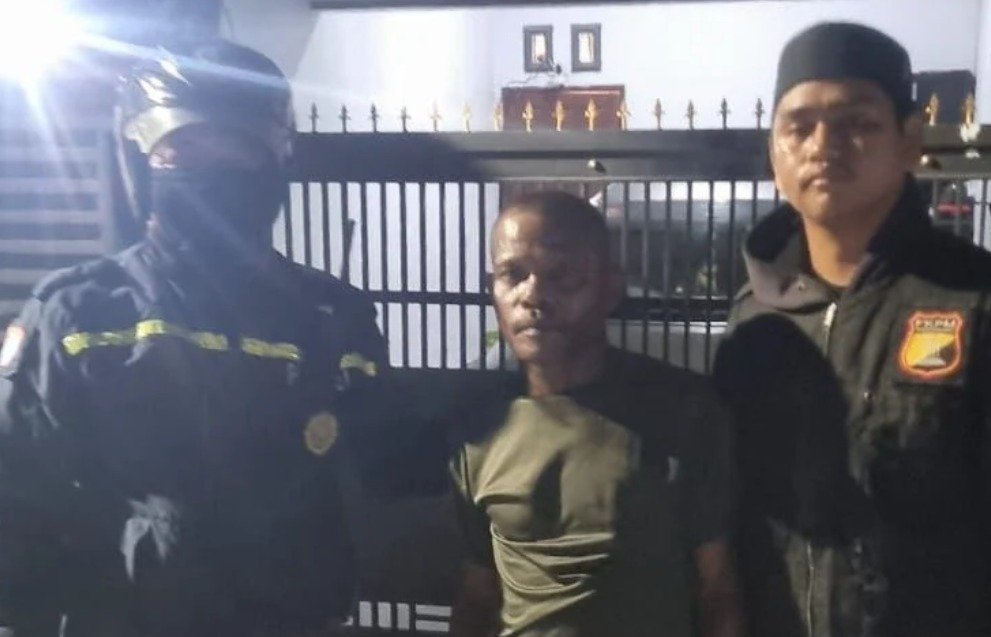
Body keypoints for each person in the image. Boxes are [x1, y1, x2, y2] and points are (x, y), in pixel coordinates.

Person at [0, 40, 388, 636]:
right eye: (184, 147)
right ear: (138, 160)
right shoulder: (77, 313)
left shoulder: (330, 315)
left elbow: (382, 471)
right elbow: (16, 489)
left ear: (275, 161)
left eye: (238, 148)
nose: (215, 167)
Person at [713, 22, 991, 637]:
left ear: (910, 141)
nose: (823, 145)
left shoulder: (972, 300)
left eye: (856, 123)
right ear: (774, 153)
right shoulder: (753, 320)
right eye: (799, 126)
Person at [449, 191, 744, 637]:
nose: (534, 295)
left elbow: (718, 592)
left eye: (562, 275)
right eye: (514, 274)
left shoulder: (681, 412)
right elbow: (478, 594)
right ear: (493, 289)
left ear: (610, 288)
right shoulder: (479, 428)